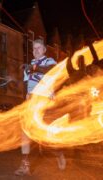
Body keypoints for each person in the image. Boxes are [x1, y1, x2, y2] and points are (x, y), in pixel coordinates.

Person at [14, 39, 66, 176]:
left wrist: (34, 68)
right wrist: (26, 95)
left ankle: (59, 153)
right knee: (25, 132)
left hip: (45, 100)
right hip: (31, 99)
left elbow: (50, 71)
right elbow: (26, 82)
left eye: (38, 48)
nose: (35, 50)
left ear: (44, 50)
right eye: (33, 48)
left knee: (44, 137)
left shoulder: (49, 61)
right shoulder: (30, 65)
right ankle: (25, 165)